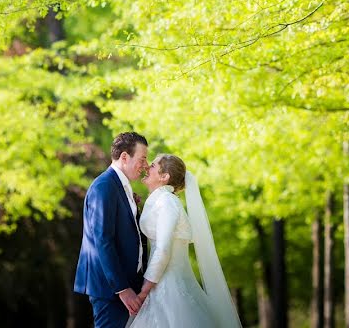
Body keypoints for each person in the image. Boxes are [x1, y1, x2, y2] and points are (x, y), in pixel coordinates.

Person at [127, 154, 242, 328]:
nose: (146, 168)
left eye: (152, 166)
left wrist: (144, 291)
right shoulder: (160, 201)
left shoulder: (167, 203)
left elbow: (163, 249)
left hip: (168, 288)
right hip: (159, 283)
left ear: (164, 177)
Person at [74, 132, 150, 328]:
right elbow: (103, 239)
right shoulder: (104, 186)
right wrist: (122, 288)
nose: (145, 165)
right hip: (110, 289)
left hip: (129, 283)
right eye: (142, 159)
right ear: (124, 157)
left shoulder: (121, 187)